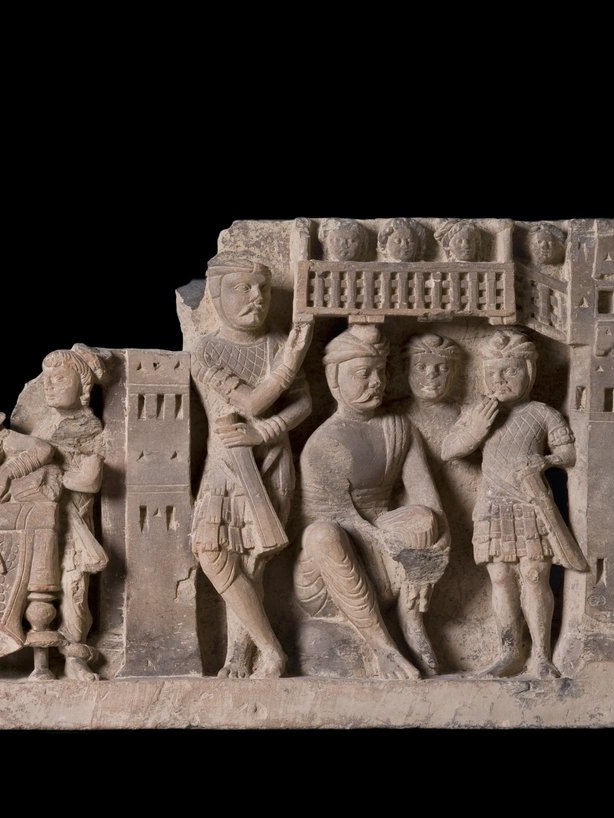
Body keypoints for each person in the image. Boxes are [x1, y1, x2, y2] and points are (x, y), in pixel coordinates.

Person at [294, 325, 449, 678]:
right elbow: (339, 520)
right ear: (334, 381)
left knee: (424, 518)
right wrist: (396, 548)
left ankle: (411, 621)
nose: (376, 382)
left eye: (380, 371)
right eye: (363, 373)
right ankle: (383, 648)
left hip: (390, 559)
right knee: (322, 535)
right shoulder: (325, 443)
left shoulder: (398, 428)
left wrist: (430, 559)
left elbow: (429, 501)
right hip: (336, 570)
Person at [191, 252, 313, 678]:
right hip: (226, 465)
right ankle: (271, 649)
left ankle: (239, 657)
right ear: (216, 295)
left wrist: (265, 434)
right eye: (242, 288)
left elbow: (304, 403)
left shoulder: (277, 344)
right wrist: (290, 362)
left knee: (252, 562)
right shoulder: (206, 349)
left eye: (262, 289)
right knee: (213, 551)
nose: (256, 297)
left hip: (272, 461)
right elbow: (251, 402)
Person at [442, 328, 585, 678]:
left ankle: (541, 655)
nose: (500, 379)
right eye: (492, 372)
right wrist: (475, 430)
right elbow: (449, 450)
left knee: (534, 576)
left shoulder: (542, 413)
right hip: (493, 505)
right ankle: (509, 651)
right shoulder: (481, 411)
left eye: (510, 370)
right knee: (502, 577)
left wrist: (545, 461)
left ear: (529, 371)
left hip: (531, 504)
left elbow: (568, 453)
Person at [29, 344, 111, 681]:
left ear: (83, 387)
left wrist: (54, 477)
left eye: (60, 379)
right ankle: (39, 661)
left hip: (72, 523)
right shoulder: (44, 424)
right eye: (46, 379)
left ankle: (75, 658)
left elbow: (91, 479)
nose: (49, 385)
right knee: (38, 587)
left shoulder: (87, 426)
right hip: (38, 520)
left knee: (73, 588)